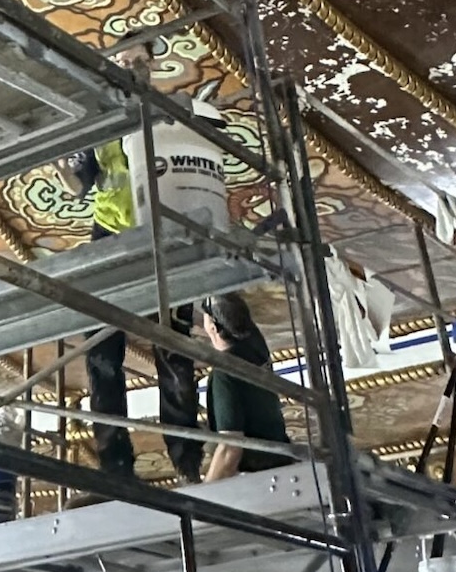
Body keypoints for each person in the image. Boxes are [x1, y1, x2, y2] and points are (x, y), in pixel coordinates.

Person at [64, 139, 203, 485]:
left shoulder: (160, 126)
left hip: (159, 225)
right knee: (102, 356)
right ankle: (116, 466)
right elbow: (79, 187)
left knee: (173, 348)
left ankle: (187, 459)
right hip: (109, 232)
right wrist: (54, 161)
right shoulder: (97, 134)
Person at [201, 292, 291, 481]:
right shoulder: (256, 348)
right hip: (281, 461)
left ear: (213, 328)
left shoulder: (224, 374)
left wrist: (205, 493)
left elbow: (230, 450)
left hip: (258, 476)